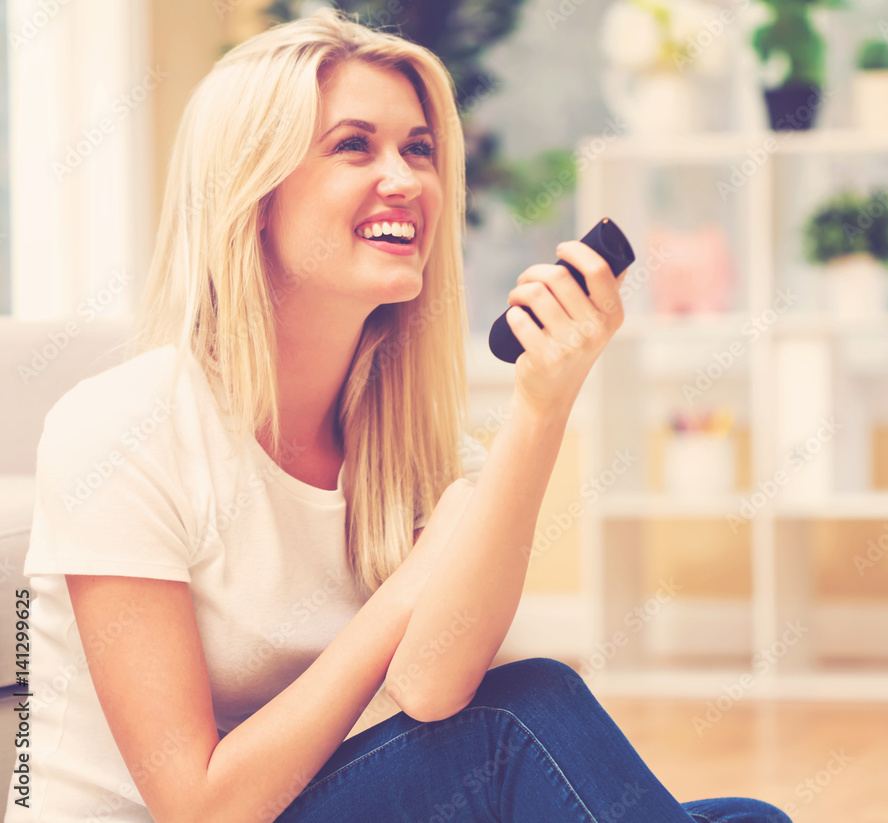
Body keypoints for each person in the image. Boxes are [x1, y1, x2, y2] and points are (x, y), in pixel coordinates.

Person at [5, 8, 793, 823]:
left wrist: (542, 406)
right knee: (528, 709)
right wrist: (411, 583)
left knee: (745, 819)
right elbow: (201, 806)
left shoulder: (420, 452)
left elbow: (430, 685)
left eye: (419, 148)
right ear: (255, 193)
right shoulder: (124, 428)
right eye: (354, 145)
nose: (407, 178)